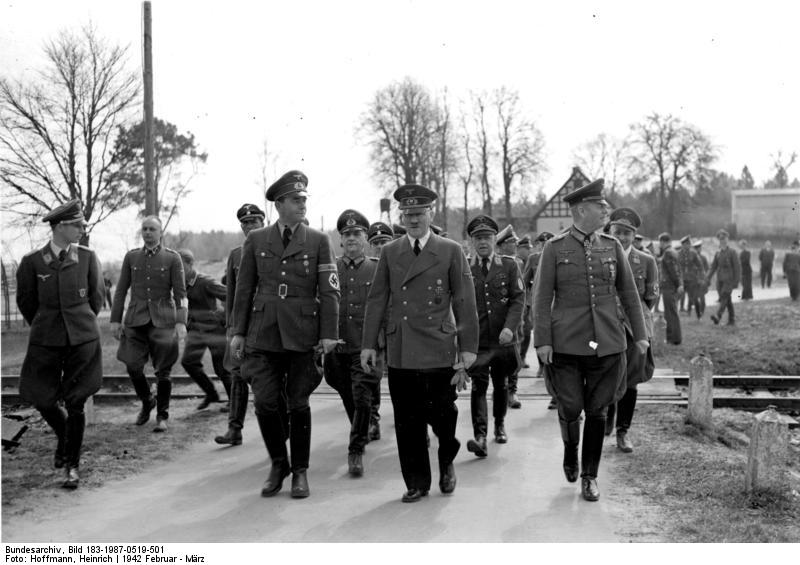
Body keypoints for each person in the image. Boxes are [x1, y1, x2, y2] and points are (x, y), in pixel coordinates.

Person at [361, 184, 479, 503]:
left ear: (431, 214)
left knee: (443, 416)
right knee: (407, 420)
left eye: (419, 213)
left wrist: (468, 348)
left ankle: (446, 465)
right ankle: (417, 481)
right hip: (402, 349)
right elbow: (377, 300)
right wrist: (368, 343)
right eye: (408, 214)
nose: (413, 220)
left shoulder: (450, 250)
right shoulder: (390, 252)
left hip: (438, 346)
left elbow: (465, 301)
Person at [533, 179, 648, 502]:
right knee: (571, 407)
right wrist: (542, 340)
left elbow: (628, 292)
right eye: (601, 207)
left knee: (597, 411)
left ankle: (589, 475)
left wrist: (640, 335)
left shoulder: (611, 246)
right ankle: (571, 451)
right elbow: (541, 298)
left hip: (607, 341)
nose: (606, 212)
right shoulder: (555, 248)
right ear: (582, 210)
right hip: (566, 343)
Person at [230, 170, 340, 499]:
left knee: (297, 402)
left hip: (302, 334)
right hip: (263, 333)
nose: (302, 204)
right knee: (265, 402)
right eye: (296, 200)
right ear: (279, 204)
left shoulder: (319, 241)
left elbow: (330, 291)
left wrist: (329, 333)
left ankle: (300, 472)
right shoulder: (257, 240)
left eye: (304, 199)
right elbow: (244, 289)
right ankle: (279, 463)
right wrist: (238, 331)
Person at [16, 199, 103, 489]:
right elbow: (27, 302)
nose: (81, 229)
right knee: (42, 398)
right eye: (77, 225)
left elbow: (96, 298)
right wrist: (47, 324)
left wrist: (80, 323)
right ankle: (66, 437)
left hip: (82, 339)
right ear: (60, 227)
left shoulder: (88, 257)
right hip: (46, 339)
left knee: (76, 401)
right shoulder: (32, 262)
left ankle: (71, 466)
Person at [111, 216, 187, 433]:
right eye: (144, 229)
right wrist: (116, 319)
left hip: (163, 321)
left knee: (163, 371)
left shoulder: (172, 258)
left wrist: (181, 322)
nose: (147, 232)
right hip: (135, 320)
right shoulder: (132, 257)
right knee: (132, 365)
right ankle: (147, 401)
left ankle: (162, 415)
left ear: (160, 232)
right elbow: (120, 290)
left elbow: (181, 294)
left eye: (152, 229)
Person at [324, 209, 380, 476]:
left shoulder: (378, 269)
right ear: (340, 239)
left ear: (366, 238)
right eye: (346, 234)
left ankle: (355, 450)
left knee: (361, 397)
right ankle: (361, 428)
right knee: (348, 394)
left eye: (357, 233)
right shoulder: (329, 268)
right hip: (336, 348)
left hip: (364, 348)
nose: (351, 238)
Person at [464, 215, 524, 458]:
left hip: (502, 340)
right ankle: (480, 436)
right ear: (472, 241)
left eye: (487, 237)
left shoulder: (509, 265)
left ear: (494, 240)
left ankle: (499, 424)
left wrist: (510, 327)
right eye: (478, 238)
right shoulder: (465, 267)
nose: (482, 242)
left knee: (500, 384)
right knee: (479, 386)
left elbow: (518, 299)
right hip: (477, 341)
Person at [215, 203, 271, 446]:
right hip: (242, 326)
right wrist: (231, 325)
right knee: (236, 373)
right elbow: (232, 294)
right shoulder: (236, 255)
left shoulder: (273, 249)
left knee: (268, 376)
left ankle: (280, 426)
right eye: (245, 223)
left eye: (254, 222)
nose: (249, 227)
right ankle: (234, 429)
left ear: (263, 222)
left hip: (268, 325)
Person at [604, 208, 658, 453]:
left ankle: (623, 431)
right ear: (610, 232)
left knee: (632, 380)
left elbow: (650, 298)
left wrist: (637, 325)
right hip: (607, 327)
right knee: (606, 376)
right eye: (618, 232)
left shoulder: (645, 261)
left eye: (627, 233)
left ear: (634, 235)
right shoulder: (601, 256)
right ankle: (608, 416)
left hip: (634, 329)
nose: (622, 237)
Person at [177, 248, 231, 411]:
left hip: (214, 330)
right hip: (195, 331)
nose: (178, 270)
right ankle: (211, 394)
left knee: (222, 368)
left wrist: (224, 318)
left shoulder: (205, 281)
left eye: (181, 266)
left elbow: (230, 295)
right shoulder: (180, 285)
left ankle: (234, 401)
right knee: (189, 362)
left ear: (190, 264)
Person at [365, 221, 395, 441]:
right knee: (373, 378)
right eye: (375, 243)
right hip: (376, 332)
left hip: (399, 331)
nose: (380, 247)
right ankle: (373, 420)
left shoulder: (401, 265)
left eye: (384, 241)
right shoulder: (368, 268)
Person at [705, 229, 741, 326]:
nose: (723, 241)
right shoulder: (718, 253)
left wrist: (736, 281)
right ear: (719, 241)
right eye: (721, 239)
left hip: (729, 280)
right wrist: (707, 277)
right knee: (726, 299)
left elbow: (737, 268)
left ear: (727, 239)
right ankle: (732, 319)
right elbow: (713, 267)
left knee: (724, 297)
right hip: (720, 280)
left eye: (724, 239)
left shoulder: (732, 252)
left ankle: (718, 316)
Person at [656, 233, 683, 344]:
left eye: (660, 242)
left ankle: (674, 338)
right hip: (672, 286)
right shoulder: (673, 252)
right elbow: (678, 270)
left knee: (671, 313)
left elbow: (673, 271)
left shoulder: (668, 253)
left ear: (663, 241)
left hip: (669, 287)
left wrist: (678, 285)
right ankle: (673, 337)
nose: (660, 245)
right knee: (671, 312)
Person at [515, 235, 533, 370]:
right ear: (518, 248)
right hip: (518, 302)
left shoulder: (532, 260)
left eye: (529, 248)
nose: (528, 250)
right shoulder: (515, 262)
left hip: (529, 301)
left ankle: (522, 356)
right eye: (525, 248)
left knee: (526, 331)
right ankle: (517, 357)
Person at [677, 235, 706, 318]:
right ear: (682, 245)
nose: (687, 246)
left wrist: (701, 277)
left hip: (691, 279)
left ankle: (698, 315)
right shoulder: (678, 254)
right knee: (677, 297)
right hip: (681, 279)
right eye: (685, 244)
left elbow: (700, 266)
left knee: (694, 298)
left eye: (688, 244)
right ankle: (675, 314)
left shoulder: (693, 253)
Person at [693, 240, 709, 317]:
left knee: (702, 298)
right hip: (694, 281)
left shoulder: (703, 258)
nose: (699, 249)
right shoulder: (692, 258)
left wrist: (705, 279)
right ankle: (698, 313)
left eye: (699, 248)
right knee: (695, 299)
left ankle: (701, 312)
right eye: (697, 248)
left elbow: (707, 269)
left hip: (702, 281)